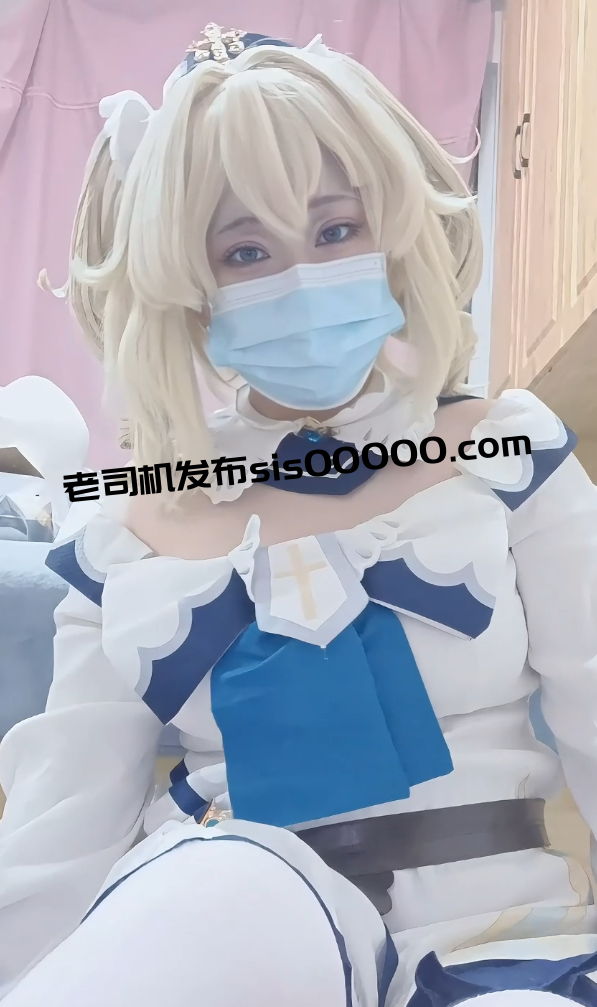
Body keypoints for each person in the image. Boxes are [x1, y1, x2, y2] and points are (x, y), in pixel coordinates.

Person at [1, 23, 597, 1007]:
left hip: (502, 935)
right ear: (191, 286)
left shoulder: (505, 451)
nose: (299, 277)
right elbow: (58, 832)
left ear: (390, 229)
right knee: (222, 885)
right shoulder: (126, 537)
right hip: (238, 929)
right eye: (245, 249)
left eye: (334, 230)